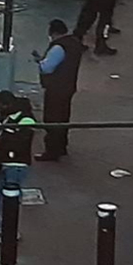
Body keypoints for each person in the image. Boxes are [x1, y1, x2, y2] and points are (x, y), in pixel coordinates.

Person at [0, 91, 37, 238]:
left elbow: (22, 141)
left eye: (1, 106)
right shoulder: (5, 117)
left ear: (9, 104)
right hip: (1, 160)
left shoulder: (26, 119)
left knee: (12, 199)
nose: (0, 109)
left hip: (17, 163)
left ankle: (11, 231)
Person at [32, 19, 84, 161]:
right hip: (68, 86)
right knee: (63, 117)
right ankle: (61, 147)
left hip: (56, 88)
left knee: (52, 119)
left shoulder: (58, 47)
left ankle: (52, 151)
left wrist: (40, 62)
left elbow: (47, 68)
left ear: (53, 33)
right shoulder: (74, 43)